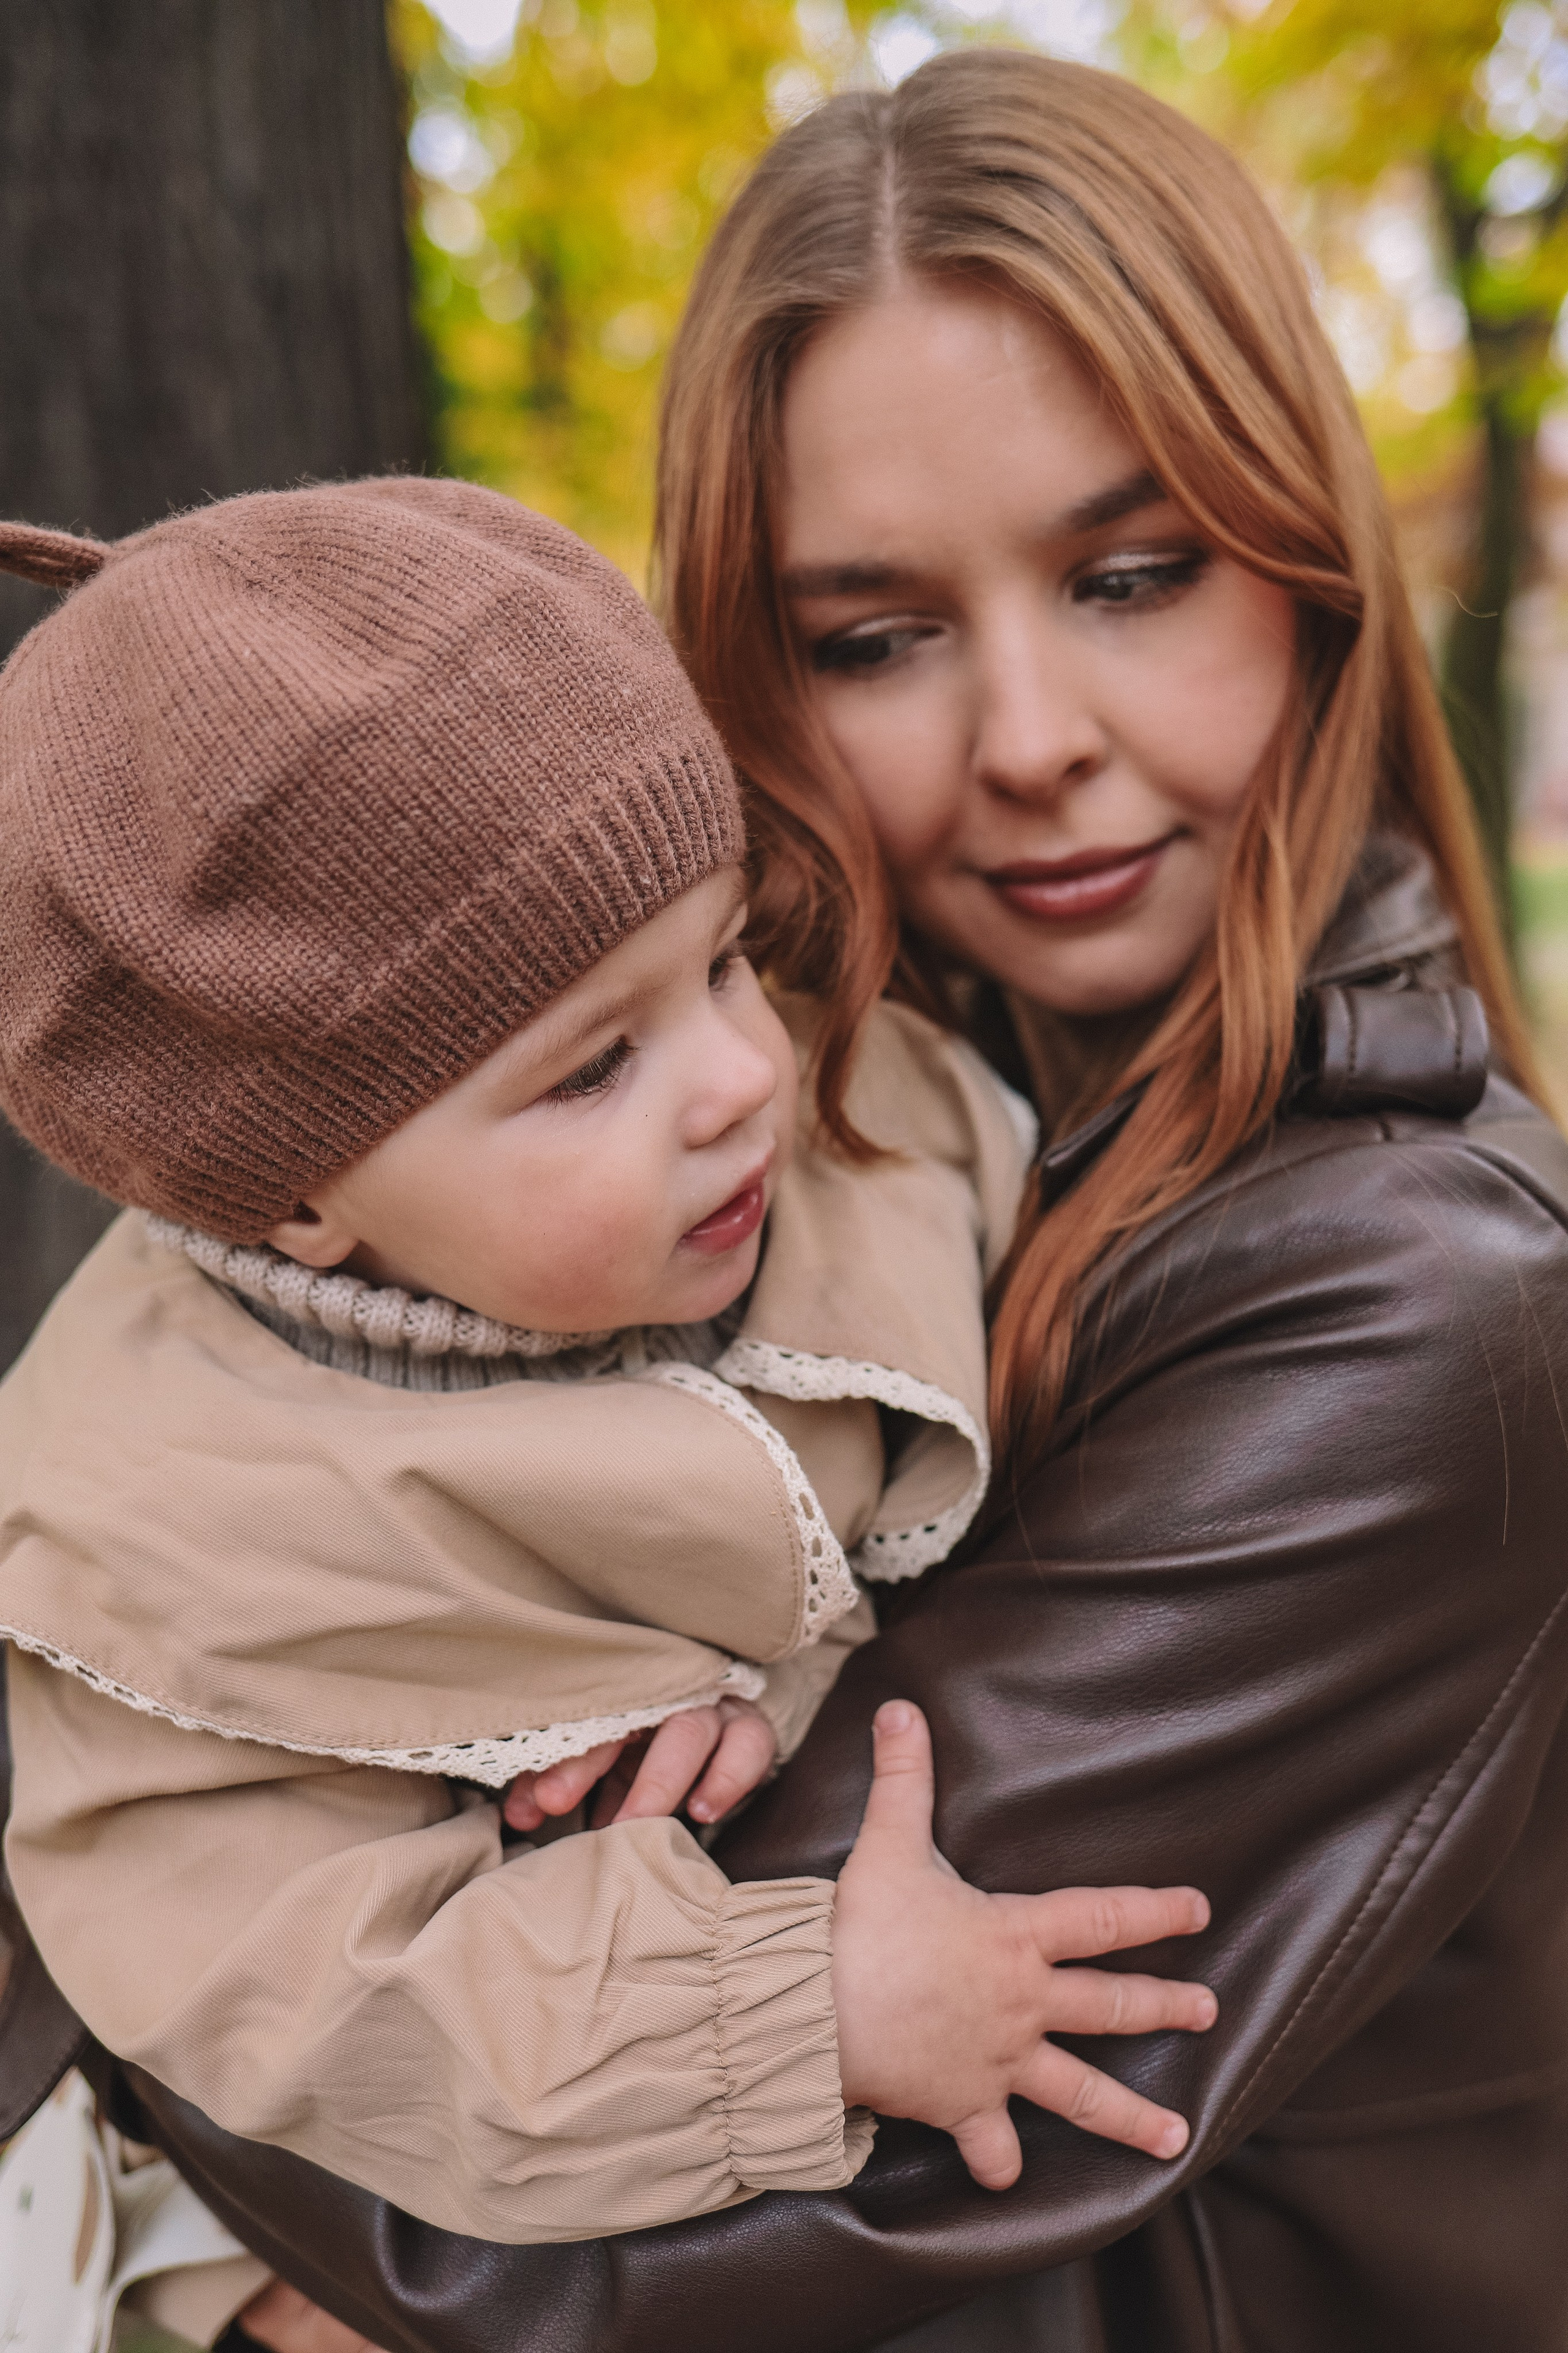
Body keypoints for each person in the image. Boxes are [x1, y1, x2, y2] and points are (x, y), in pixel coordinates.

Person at [68, 43, 1568, 2353]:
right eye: (876, 634)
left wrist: (145, 2001)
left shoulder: (1416, 1296)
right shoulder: (790, 1136)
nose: (1032, 732)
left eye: (1132, 573)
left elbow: (717, 2146)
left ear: (1315, 571)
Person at [0, 477, 1218, 2327]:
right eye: (593, 1068)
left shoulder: (844, 1141)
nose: (741, 1072)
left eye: (723, 955)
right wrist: (799, 2001)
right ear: (301, 1196)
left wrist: (784, 1685)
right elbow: (318, 1996)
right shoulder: (171, 1537)